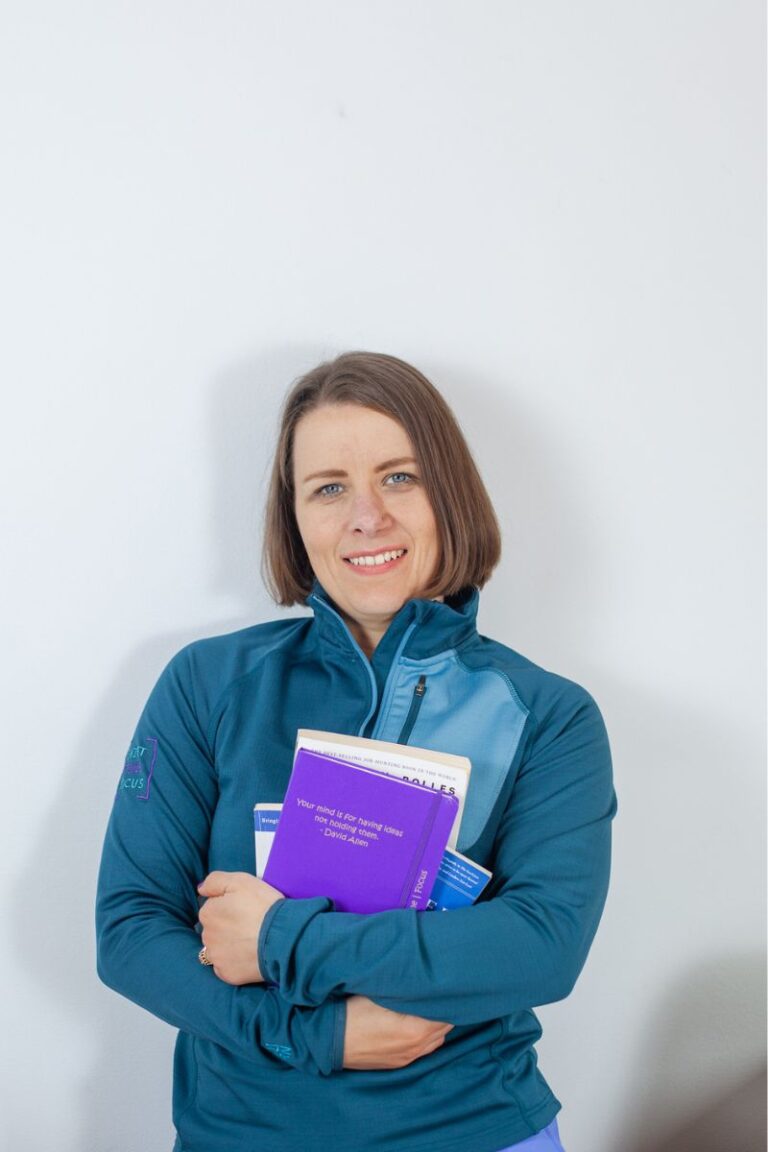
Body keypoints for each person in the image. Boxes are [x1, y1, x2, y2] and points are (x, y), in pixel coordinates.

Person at [96, 351, 616, 1152]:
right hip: (244, 1132)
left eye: (400, 477)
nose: (366, 516)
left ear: (451, 494)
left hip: (472, 1129)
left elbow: (540, 949)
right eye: (329, 487)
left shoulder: (550, 716)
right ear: (294, 519)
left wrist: (280, 940)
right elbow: (131, 931)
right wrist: (317, 1037)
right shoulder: (208, 684)